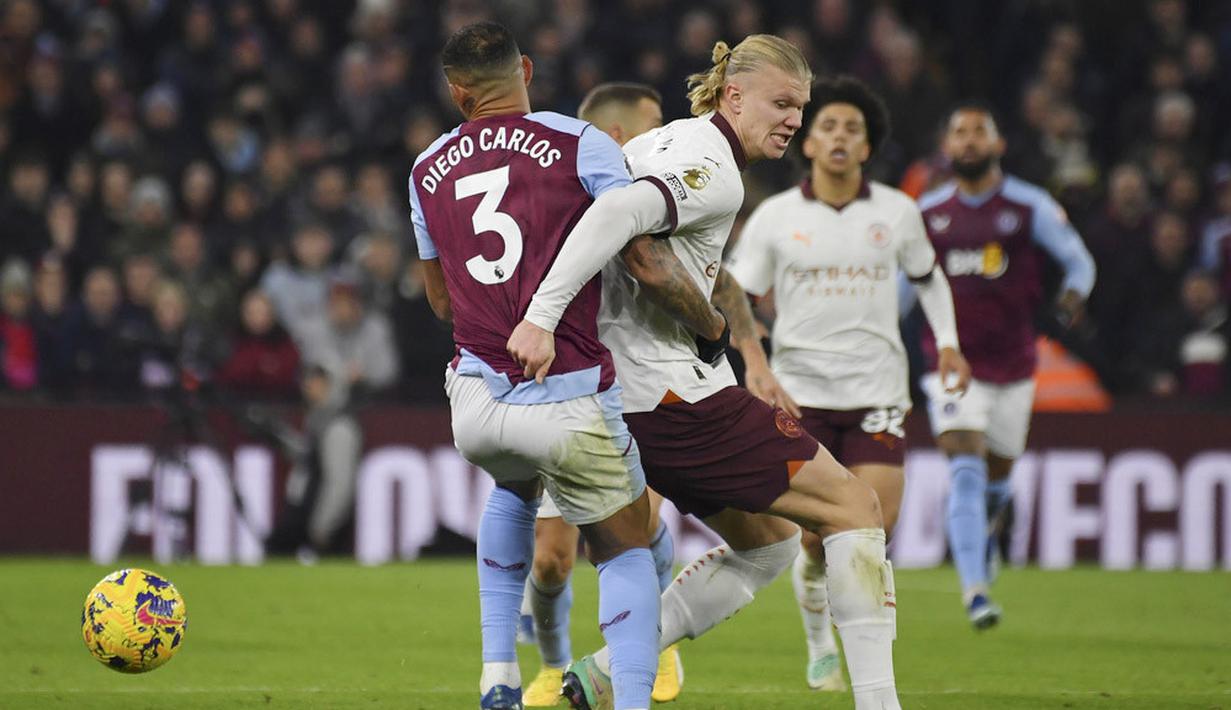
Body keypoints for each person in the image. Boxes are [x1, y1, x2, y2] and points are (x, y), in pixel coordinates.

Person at [509, 35, 903, 710]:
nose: (793, 120)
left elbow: (657, 248)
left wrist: (735, 343)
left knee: (770, 545)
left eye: (800, 108)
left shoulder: (665, 141)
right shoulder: (711, 166)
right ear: (734, 96)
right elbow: (622, 221)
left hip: (625, 389)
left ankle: (599, 676)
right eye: (782, 104)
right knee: (853, 508)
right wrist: (542, 317)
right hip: (667, 395)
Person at [409, 22, 661, 710]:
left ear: (457, 93)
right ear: (524, 68)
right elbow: (639, 252)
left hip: (475, 400)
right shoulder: (582, 143)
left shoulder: (426, 167)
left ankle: (498, 675)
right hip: (566, 391)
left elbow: (440, 301)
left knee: (515, 487)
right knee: (627, 548)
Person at [723, 76, 970, 690]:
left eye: (852, 129)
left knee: (870, 533)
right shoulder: (776, 218)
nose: (839, 137)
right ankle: (818, 641)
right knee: (813, 542)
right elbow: (734, 291)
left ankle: (871, 677)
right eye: (828, 126)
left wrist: (949, 344)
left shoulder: (898, 212)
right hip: (799, 394)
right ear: (808, 143)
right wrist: (753, 359)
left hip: (877, 393)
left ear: (867, 146)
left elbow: (929, 278)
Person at [517, 81, 684, 707]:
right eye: (655, 122)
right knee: (552, 560)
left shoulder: (663, 201)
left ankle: (655, 644)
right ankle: (551, 662)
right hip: (565, 386)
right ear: (615, 136)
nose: (666, 136)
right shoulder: (553, 199)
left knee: (639, 526)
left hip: (639, 384)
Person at [917, 102, 1096, 628]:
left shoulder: (1029, 205)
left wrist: (1069, 301)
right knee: (965, 466)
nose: (969, 141)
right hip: (950, 362)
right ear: (947, 147)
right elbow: (906, 287)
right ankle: (975, 591)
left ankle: (990, 526)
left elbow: (1080, 262)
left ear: (998, 145)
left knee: (996, 474)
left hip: (1014, 364)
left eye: (979, 132)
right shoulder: (928, 213)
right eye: (960, 132)